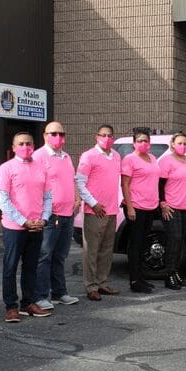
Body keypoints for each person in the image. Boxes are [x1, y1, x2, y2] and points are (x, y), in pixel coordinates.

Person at [0, 132, 52, 322]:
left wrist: (44, 219)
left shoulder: (42, 168)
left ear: (34, 145)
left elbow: (48, 197)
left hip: (36, 226)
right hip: (14, 227)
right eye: (21, 143)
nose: (25, 146)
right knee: (10, 268)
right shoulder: (6, 169)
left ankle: (29, 303)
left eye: (28, 143)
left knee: (31, 267)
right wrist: (22, 221)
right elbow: (3, 200)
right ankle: (11, 306)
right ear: (14, 146)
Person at [32, 121, 80, 310]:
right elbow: (34, 186)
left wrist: (77, 199)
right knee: (44, 256)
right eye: (53, 133)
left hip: (67, 214)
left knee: (60, 256)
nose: (57, 137)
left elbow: (71, 180)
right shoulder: (39, 156)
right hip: (50, 216)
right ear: (44, 135)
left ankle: (59, 293)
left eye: (61, 134)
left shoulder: (66, 157)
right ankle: (41, 296)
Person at [76, 125, 122, 301]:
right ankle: (91, 286)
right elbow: (80, 182)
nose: (107, 138)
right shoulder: (88, 156)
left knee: (106, 250)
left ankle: (102, 283)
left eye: (110, 135)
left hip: (111, 211)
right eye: (104, 135)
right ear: (97, 137)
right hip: (95, 211)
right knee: (92, 251)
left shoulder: (116, 156)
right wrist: (93, 204)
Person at [121, 128, 161, 294]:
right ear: (134, 143)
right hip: (135, 207)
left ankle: (141, 276)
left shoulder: (152, 158)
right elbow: (125, 184)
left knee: (144, 244)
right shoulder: (129, 159)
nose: (143, 143)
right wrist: (130, 207)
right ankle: (134, 280)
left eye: (146, 141)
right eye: (140, 141)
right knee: (135, 245)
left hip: (150, 207)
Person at [158, 132, 186, 290]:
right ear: (172, 144)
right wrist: (162, 203)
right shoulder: (166, 161)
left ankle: (175, 273)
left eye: (185, 143)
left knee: (180, 242)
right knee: (174, 240)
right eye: (179, 143)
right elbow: (159, 184)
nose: (183, 146)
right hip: (172, 207)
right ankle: (168, 275)